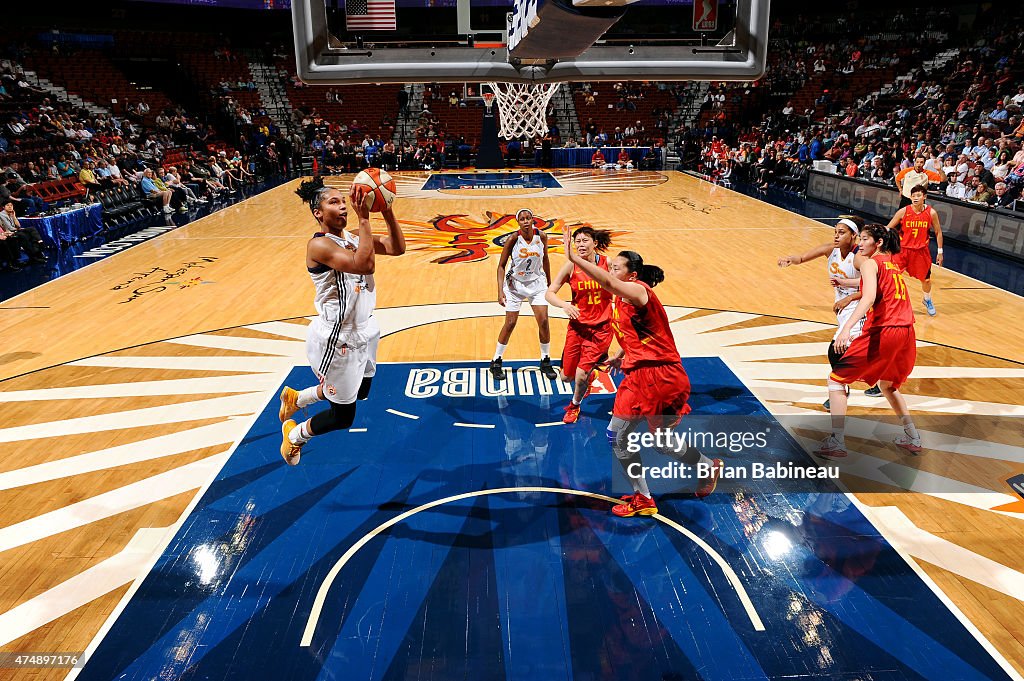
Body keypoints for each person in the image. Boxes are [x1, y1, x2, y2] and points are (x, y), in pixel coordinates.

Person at [562, 228, 723, 517]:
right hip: (637, 376)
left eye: (616, 267)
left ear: (632, 275)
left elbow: (608, 282)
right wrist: (620, 356)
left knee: (658, 442)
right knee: (618, 437)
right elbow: (643, 334)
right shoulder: (622, 302)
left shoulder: (639, 291)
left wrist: (574, 257)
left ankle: (701, 469)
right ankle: (646, 495)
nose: (610, 269)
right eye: (610, 266)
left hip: (662, 377)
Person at [278, 177, 406, 465]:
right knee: (343, 416)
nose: (343, 206)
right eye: (333, 202)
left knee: (361, 390)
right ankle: (295, 435)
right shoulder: (319, 246)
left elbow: (397, 247)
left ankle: (298, 399)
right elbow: (365, 264)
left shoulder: (351, 239)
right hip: (339, 339)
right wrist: (364, 218)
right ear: (318, 213)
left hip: (366, 329)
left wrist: (386, 209)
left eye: (342, 201)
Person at [816, 224, 920, 458]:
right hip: (907, 332)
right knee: (887, 385)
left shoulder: (871, 263)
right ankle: (913, 436)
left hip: (887, 330)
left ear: (878, 243)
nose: (860, 244)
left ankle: (837, 442)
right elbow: (870, 289)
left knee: (836, 380)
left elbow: (870, 296)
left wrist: (847, 329)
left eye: (864, 239)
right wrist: (849, 289)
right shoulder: (891, 265)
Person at [778, 216, 882, 407]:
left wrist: (849, 297)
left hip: (860, 308)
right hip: (842, 308)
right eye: (835, 232)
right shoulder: (830, 250)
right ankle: (880, 380)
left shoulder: (860, 259)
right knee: (857, 352)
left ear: (854, 236)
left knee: (837, 351)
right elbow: (801, 258)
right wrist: (789, 259)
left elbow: (872, 289)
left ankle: (841, 386)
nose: (836, 236)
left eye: (841, 233)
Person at [545, 226, 614, 424]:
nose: (580, 245)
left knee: (580, 376)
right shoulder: (570, 266)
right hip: (577, 328)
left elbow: (624, 285)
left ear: (594, 243)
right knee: (566, 377)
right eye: (577, 241)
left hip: (601, 329)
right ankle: (588, 379)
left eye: (585, 241)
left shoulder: (607, 263)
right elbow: (549, 293)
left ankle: (574, 406)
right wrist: (564, 305)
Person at [490, 208, 558, 381]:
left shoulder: (541, 237)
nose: (526, 221)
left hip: (537, 283)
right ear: (518, 222)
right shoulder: (513, 239)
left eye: (528, 218)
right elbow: (501, 266)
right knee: (510, 323)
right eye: (522, 219)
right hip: (515, 285)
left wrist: (550, 283)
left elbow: (545, 259)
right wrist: (500, 291)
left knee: (543, 321)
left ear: (533, 220)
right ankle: (496, 361)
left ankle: (545, 360)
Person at [884, 184, 943, 316]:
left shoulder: (931, 213)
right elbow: (888, 228)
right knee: (891, 276)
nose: (915, 198)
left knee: (926, 280)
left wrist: (940, 252)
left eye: (918, 195)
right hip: (902, 250)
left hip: (920, 252)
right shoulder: (903, 211)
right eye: (913, 195)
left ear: (924, 197)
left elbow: (938, 232)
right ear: (910, 197)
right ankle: (887, 300)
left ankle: (927, 299)